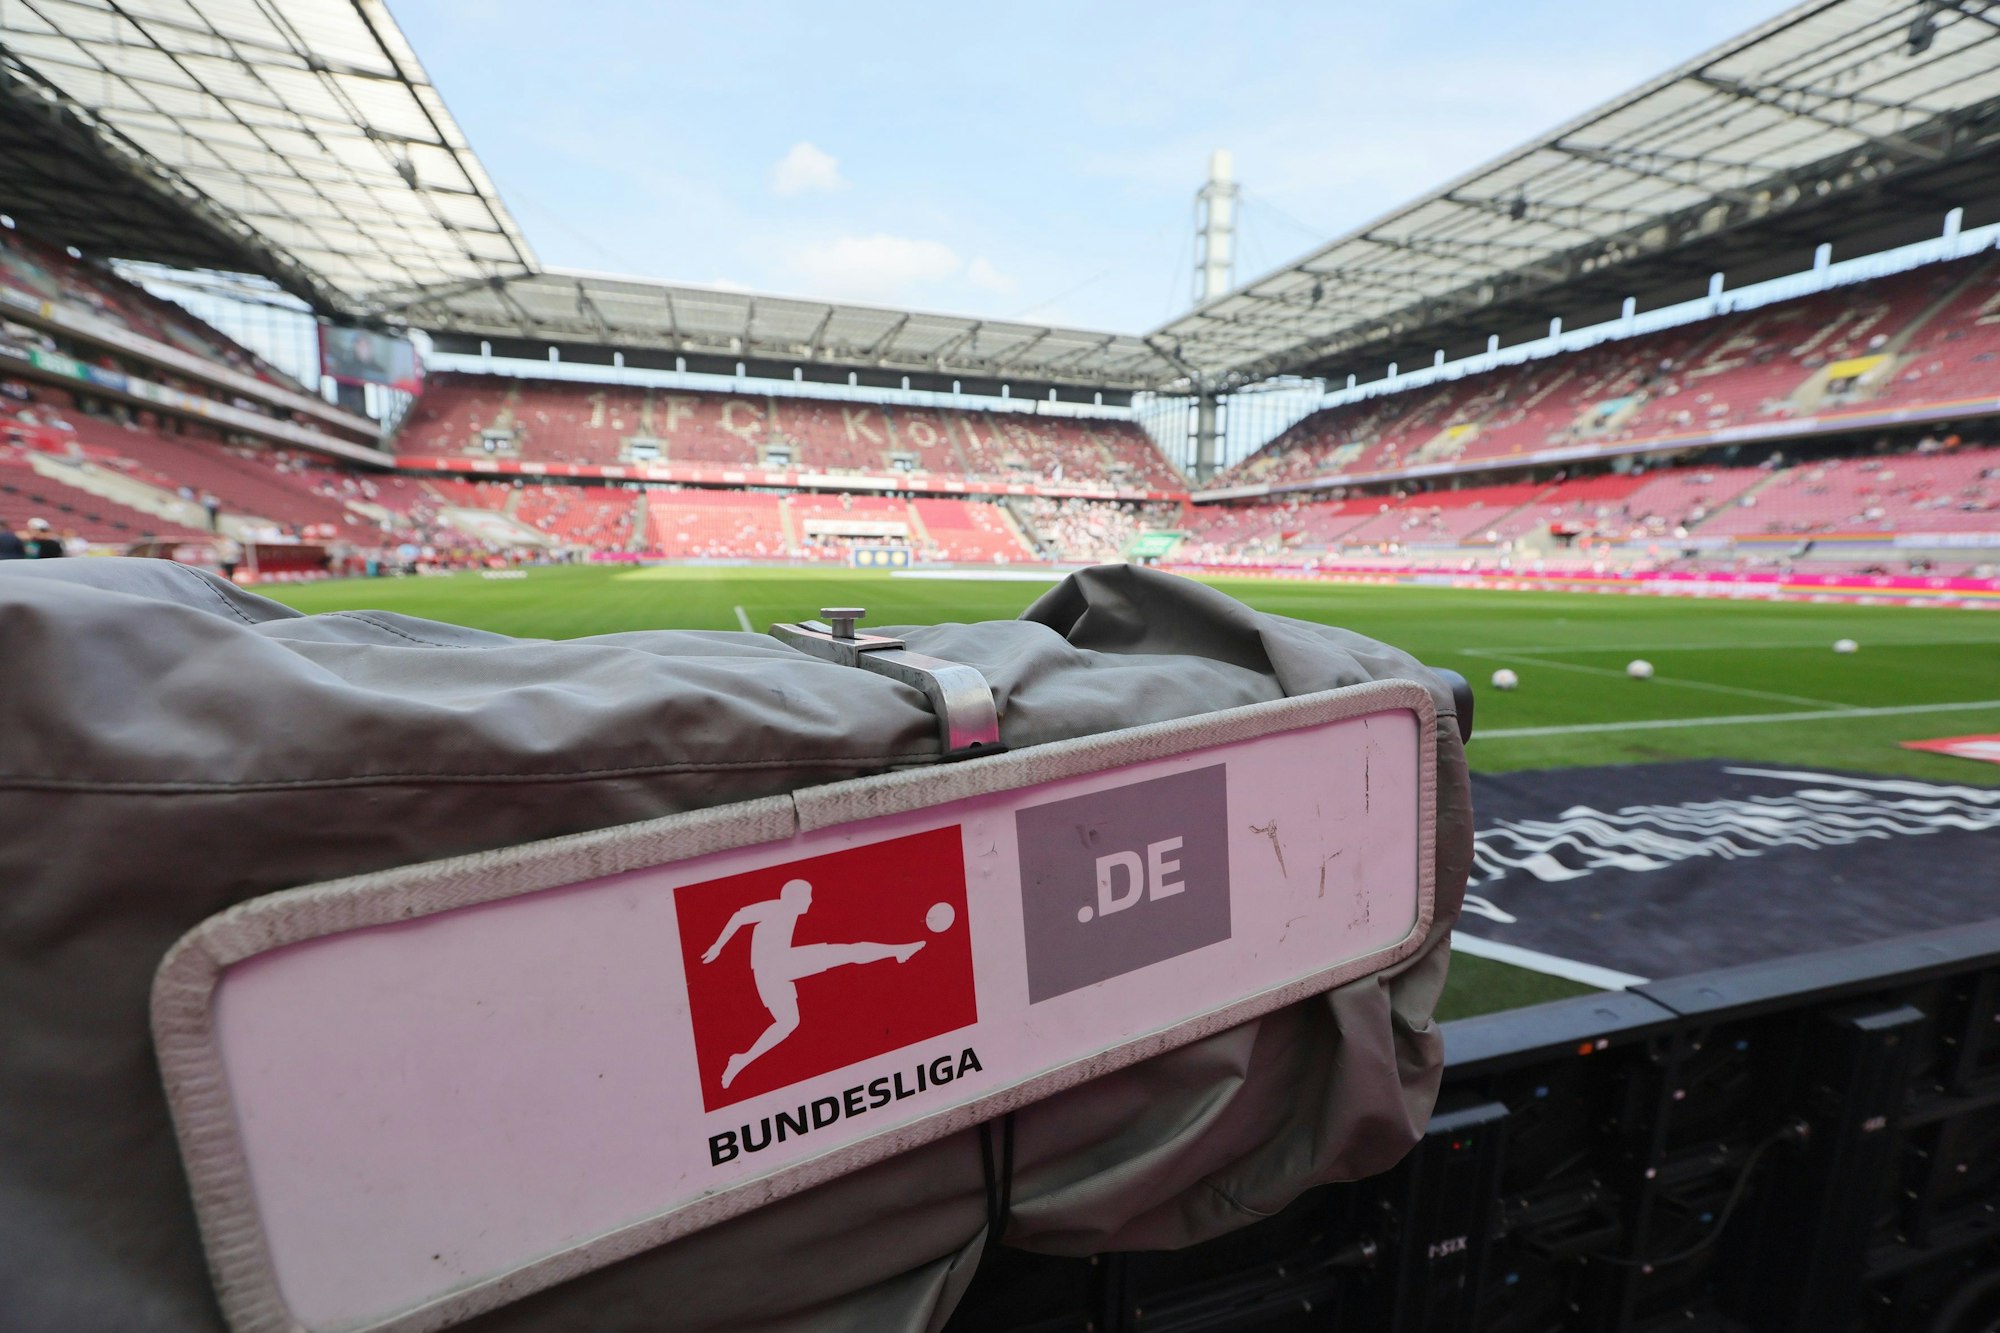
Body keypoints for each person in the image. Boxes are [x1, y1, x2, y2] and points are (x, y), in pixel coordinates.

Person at [700, 878, 925, 1089]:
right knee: (849, 952)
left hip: (768, 974)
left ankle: (741, 1060)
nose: (810, 900)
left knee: (789, 1022)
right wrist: (717, 946)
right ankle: (898, 951)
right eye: (808, 895)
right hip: (777, 963)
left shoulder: (786, 912)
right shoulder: (776, 907)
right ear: (795, 897)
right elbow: (739, 916)